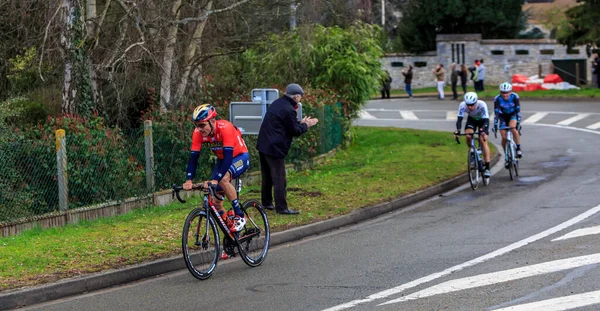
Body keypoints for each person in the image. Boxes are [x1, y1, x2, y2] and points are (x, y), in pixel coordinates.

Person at [183, 104, 250, 233]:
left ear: (212, 121)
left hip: (239, 156)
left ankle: (240, 216)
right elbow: (193, 158)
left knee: (223, 179)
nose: (199, 129)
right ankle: (231, 238)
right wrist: (189, 180)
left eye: (202, 125)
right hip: (222, 160)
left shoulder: (225, 128)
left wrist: (215, 180)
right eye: (196, 125)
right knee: (216, 203)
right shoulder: (198, 133)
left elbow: (228, 159)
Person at [256, 83, 319, 215]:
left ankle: (267, 203)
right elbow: (294, 131)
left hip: (264, 144)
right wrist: (306, 125)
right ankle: (282, 208)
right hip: (275, 148)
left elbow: (286, 124)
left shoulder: (277, 103)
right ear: (296, 97)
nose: (300, 98)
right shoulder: (289, 109)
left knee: (267, 176)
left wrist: (300, 123)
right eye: (300, 96)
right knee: (279, 178)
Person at [453, 92, 492, 178]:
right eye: (468, 105)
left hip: (482, 121)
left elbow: (486, 120)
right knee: (468, 135)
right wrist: (458, 130)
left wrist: (483, 130)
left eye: (472, 105)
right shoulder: (462, 105)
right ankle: (472, 152)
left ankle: (488, 167)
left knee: (483, 140)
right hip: (472, 120)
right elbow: (459, 119)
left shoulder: (482, 105)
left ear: (476, 102)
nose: (470, 107)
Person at [493, 82, 523, 164]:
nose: (505, 95)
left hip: (512, 115)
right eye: (503, 92)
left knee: (513, 128)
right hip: (503, 117)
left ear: (511, 91)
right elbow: (496, 113)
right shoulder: (497, 99)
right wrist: (495, 124)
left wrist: (519, 122)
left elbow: (518, 110)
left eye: (507, 93)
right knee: (504, 137)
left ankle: (518, 148)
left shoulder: (515, 96)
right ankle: (507, 156)